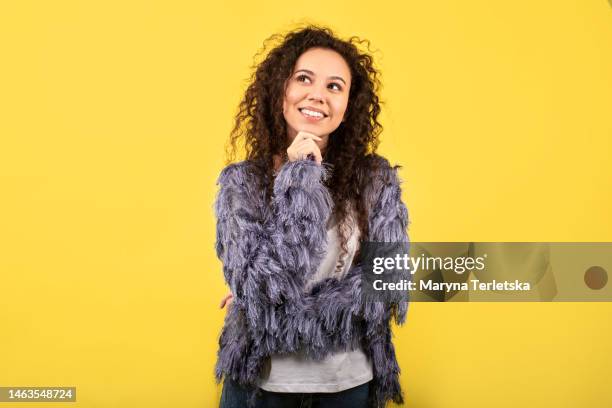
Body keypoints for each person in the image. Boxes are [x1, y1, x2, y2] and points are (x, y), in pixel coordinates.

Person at [214, 25, 411, 408]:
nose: (318, 94)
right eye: (304, 79)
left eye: (335, 86)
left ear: (348, 105)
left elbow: (388, 280)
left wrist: (281, 310)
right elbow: (267, 288)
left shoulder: (374, 179)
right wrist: (299, 176)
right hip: (261, 386)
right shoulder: (243, 183)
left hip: (348, 385)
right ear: (280, 91)